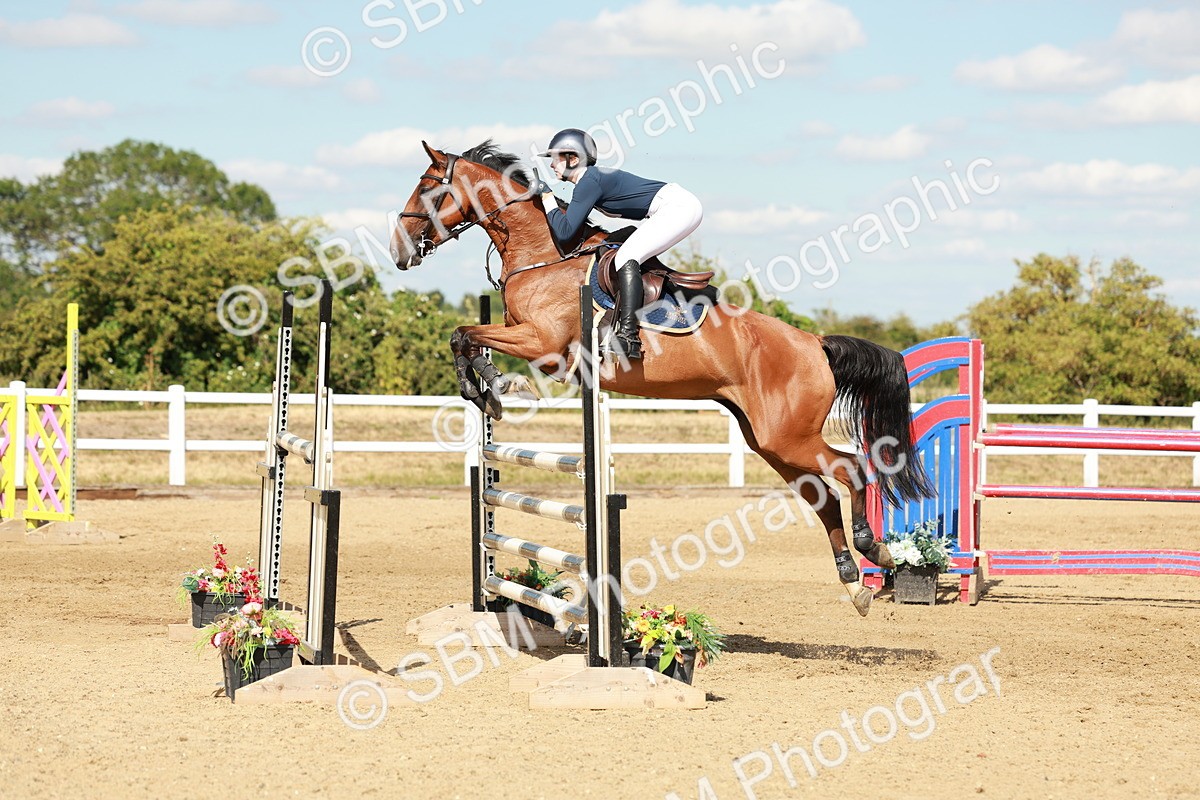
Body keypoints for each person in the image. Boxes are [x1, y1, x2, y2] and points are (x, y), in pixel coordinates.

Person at [538, 128, 703, 359]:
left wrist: (546, 198)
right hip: (674, 207)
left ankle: (628, 337)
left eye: (555, 159)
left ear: (573, 159)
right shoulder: (589, 180)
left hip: (678, 208)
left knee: (626, 257)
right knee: (615, 245)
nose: (551, 165)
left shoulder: (589, 181)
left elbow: (565, 232)